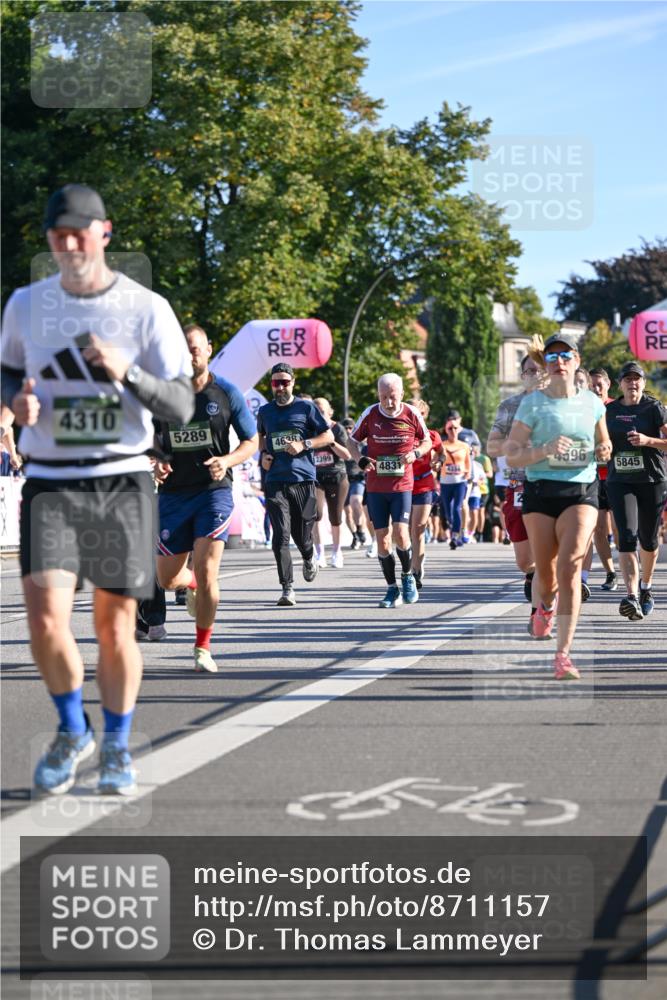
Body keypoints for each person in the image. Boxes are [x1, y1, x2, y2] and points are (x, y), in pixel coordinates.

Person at [0, 183, 195, 794]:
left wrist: (125, 371)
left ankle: (116, 744)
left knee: (114, 626)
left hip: (121, 477)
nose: (67, 246)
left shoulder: (145, 308)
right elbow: (6, 370)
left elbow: (183, 404)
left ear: (104, 233)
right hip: (52, 481)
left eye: (78, 234)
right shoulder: (26, 305)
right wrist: (17, 401)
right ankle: (71, 728)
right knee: (47, 623)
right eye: (57, 237)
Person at [506, 333, 611, 680]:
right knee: (547, 576)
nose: (559, 361)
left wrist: (604, 450)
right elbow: (513, 453)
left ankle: (563, 654)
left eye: (565, 355)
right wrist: (545, 450)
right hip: (540, 492)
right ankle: (545, 608)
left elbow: (604, 441)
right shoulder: (533, 404)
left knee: (569, 567)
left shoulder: (592, 403)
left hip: (581, 491)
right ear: (546, 365)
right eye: (552, 357)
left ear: (576, 361)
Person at [154, 324, 258, 672]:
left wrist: (226, 461)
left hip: (213, 493)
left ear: (209, 350)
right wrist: (156, 463)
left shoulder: (226, 393)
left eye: (195, 348)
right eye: (183, 349)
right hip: (173, 495)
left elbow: (251, 441)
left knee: (208, 569)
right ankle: (191, 582)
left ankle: (202, 649)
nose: (189, 354)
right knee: (166, 580)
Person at [256, 363, 334, 606]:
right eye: (276, 382)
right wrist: (263, 455)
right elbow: (261, 439)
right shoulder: (265, 412)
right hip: (275, 480)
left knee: (303, 535)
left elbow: (328, 436)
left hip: (303, 480)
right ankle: (287, 588)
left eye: (284, 382)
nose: (280, 387)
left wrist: (304, 444)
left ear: (293, 382)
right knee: (280, 535)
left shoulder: (306, 407)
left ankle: (309, 555)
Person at [349, 373, 429, 607]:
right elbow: (351, 441)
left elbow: (426, 442)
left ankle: (407, 577)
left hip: (402, 484)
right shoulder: (371, 413)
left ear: (401, 395)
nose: (388, 402)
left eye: (392, 397)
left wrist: (415, 454)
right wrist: (360, 460)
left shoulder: (411, 414)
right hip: (375, 487)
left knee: (401, 534)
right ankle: (391, 588)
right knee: (382, 541)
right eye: (383, 397)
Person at [487, 354, 548, 623]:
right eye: (528, 371)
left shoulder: (559, 404)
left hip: (550, 483)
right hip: (518, 484)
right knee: (525, 561)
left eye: (538, 370)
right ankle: (533, 575)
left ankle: (542, 607)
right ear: (522, 375)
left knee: (549, 551)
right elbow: (491, 446)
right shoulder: (509, 405)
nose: (534, 374)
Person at [604, 361, 667, 620]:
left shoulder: (654, 408)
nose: (633, 383)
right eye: (627, 379)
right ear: (620, 383)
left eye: (637, 379)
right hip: (620, 480)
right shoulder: (611, 411)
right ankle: (631, 596)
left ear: (643, 383)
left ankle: (646, 587)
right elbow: (599, 440)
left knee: (649, 540)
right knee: (627, 537)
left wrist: (648, 441)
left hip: (652, 479)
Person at [584, 366, 618, 592]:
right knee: (596, 529)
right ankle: (610, 572)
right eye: (592, 385)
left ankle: (630, 571)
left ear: (608, 385)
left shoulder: (616, 408)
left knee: (619, 529)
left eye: (600, 384)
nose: (596, 388)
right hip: (593, 474)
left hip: (617, 475)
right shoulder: (583, 409)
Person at [312, 397, 350, 569]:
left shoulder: (338, 428)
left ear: (330, 412)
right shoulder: (309, 429)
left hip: (336, 476)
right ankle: (319, 553)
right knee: (316, 514)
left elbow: (347, 455)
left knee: (335, 517)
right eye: (315, 409)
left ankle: (336, 552)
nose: (318, 413)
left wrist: (331, 441)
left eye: (321, 410)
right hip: (316, 477)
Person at [409, 399, 442, 589]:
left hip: (424, 484)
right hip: (402, 485)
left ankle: (415, 571)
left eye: (417, 413)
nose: (413, 417)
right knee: (402, 532)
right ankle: (413, 560)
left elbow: (441, 453)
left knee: (418, 529)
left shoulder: (432, 435)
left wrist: (439, 461)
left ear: (424, 415)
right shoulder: (399, 435)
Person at [439, 414, 472, 550]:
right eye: (450, 428)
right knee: (447, 511)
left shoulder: (464, 446)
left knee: (457, 507)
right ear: (446, 430)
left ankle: (455, 535)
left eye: (455, 428)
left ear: (459, 429)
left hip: (460, 482)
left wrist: (467, 475)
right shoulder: (442, 445)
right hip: (445, 482)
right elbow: (436, 461)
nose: (452, 430)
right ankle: (454, 530)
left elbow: (468, 463)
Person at [341, 416, 369, 550]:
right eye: (345, 427)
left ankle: (360, 529)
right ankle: (355, 535)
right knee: (347, 512)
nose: (347, 430)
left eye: (350, 427)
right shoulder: (339, 444)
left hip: (358, 478)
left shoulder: (361, 444)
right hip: (343, 479)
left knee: (356, 502)